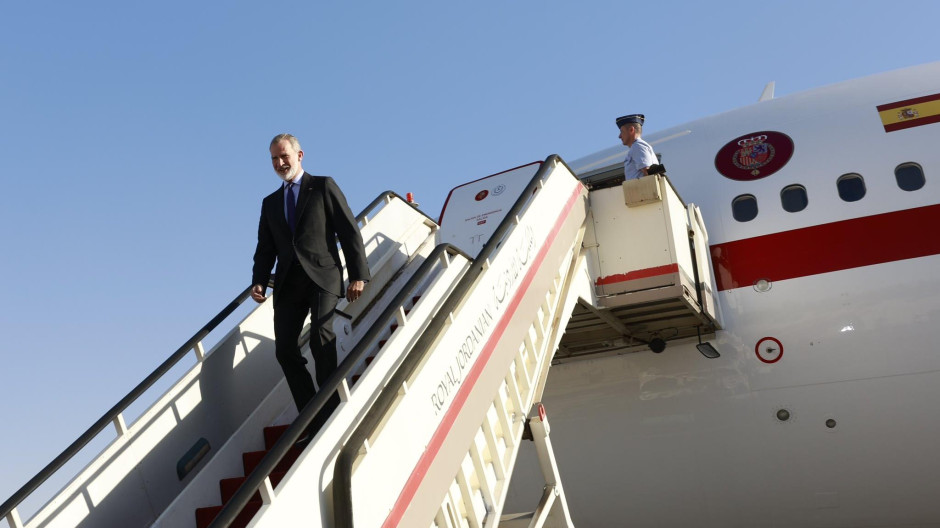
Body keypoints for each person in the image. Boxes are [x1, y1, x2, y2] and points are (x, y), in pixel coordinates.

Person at [251, 133, 370, 436]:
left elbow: (348, 230)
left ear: (299, 155)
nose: (279, 163)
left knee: (320, 334)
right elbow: (265, 248)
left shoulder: (323, 186)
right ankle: (311, 415)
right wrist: (259, 281)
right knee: (285, 350)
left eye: (284, 156)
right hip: (288, 284)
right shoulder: (270, 203)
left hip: (323, 276)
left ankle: (330, 407)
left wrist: (359, 274)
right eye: (274, 159)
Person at [616, 114, 657, 179]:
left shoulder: (637, 146)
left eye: (622, 131)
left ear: (631, 130)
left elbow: (648, 172)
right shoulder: (637, 146)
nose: (619, 136)